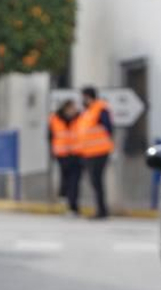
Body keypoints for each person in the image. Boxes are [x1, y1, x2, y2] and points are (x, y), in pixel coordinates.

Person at [72, 86, 114, 220]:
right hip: (88, 153)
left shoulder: (100, 109)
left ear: (88, 96)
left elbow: (108, 128)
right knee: (94, 182)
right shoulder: (87, 112)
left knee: (97, 182)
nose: (82, 100)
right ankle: (100, 209)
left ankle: (102, 210)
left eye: (83, 97)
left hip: (99, 152)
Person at [48, 98, 81, 215]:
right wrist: (52, 151)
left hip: (77, 154)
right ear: (66, 108)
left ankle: (73, 206)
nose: (74, 110)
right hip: (62, 154)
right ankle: (66, 198)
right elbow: (50, 136)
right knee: (66, 179)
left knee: (74, 181)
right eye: (71, 108)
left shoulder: (79, 118)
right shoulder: (55, 118)